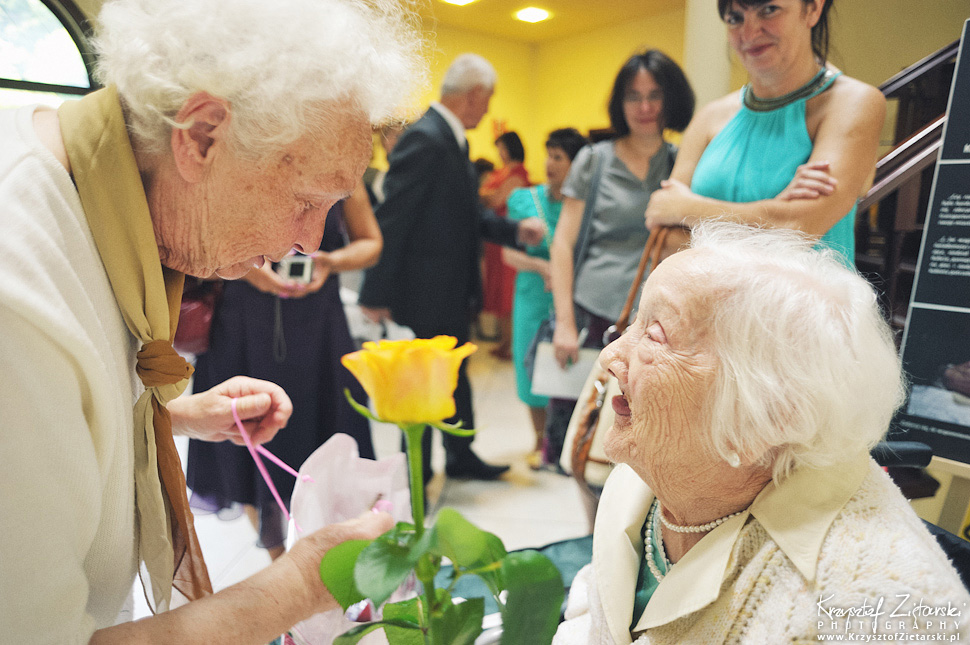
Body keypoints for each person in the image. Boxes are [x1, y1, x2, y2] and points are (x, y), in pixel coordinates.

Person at [0, 0, 423, 641]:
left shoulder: (92, 189)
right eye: (306, 200)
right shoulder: (17, 293)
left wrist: (170, 414)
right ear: (200, 136)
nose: (310, 243)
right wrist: (302, 584)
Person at [554, 221, 970, 643]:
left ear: (761, 418)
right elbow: (595, 607)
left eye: (656, 336)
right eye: (634, 323)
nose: (610, 355)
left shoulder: (886, 612)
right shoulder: (655, 471)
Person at [358, 53, 545, 483]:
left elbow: (463, 217)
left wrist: (516, 231)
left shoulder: (447, 137)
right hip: (425, 291)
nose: (488, 108)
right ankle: (417, 469)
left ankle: (461, 454)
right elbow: (394, 217)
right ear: (474, 94)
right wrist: (375, 294)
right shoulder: (427, 137)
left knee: (453, 374)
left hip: (446, 289)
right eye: (488, 98)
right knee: (425, 380)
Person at [186, 180, 381, 560]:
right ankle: (283, 563)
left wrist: (330, 262)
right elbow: (193, 246)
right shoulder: (245, 165)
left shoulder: (341, 175)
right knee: (248, 442)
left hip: (319, 327)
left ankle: (332, 554)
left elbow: (371, 243)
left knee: (329, 434)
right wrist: (248, 269)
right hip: (244, 324)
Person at [645, 0, 885, 265]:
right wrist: (774, 215)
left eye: (769, 10)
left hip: (804, 303)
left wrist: (685, 209)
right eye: (735, 18)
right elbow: (665, 242)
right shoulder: (709, 117)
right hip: (705, 304)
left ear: (813, 9)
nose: (749, 34)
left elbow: (798, 226)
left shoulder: (855, 102)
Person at [547, 50, 695, 466]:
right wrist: (564, 321)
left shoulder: (682, 163)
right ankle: (591, 526)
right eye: (633, 96)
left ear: (672, 100)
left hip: (661, 321)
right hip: (596, 314)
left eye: (655, 95)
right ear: (619, 102)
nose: (645, 107)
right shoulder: (594, 161)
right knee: (589, 439)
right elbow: (562, 244)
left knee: (651, 435)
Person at [502, 128, 589, 469]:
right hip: (532, 296)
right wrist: (541, 265)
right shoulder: (524, 200)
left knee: (572, 368)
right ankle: (539, 440)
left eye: (559, 157)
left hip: (574, 298)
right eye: (548, 155)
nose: (550, 164)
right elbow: (510, 255)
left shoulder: (585, 204)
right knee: (529, 366)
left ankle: (569, 441)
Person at [479, 131, 531, 360]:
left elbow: (494, 199)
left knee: (508, 292)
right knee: (498, 290)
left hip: (508, 239)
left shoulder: (518, 174)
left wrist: (482, 193)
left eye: (502, 148)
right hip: (495, 240)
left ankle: (511, 344)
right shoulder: (503, 173)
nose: (500, 153)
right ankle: (504, 341)